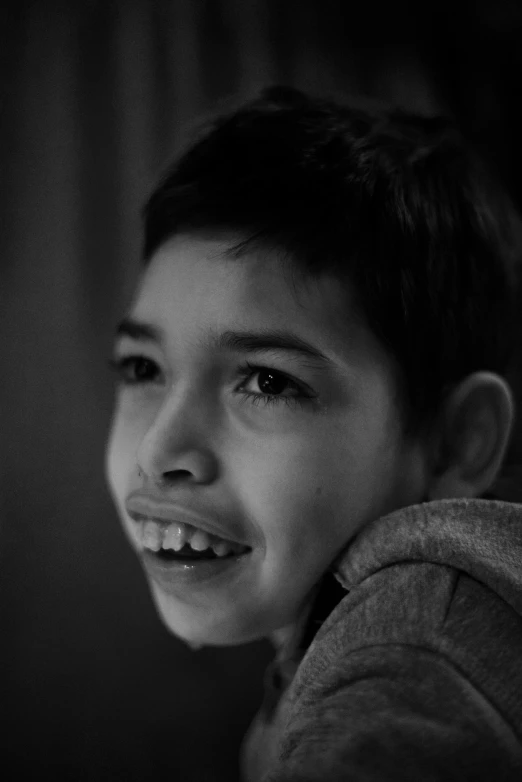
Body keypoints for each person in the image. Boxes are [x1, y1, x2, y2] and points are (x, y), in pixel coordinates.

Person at [104, 86, 522, 781]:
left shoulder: (415, 645)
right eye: (143, 367)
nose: (159, 452)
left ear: (457, 442)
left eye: (268, 382)